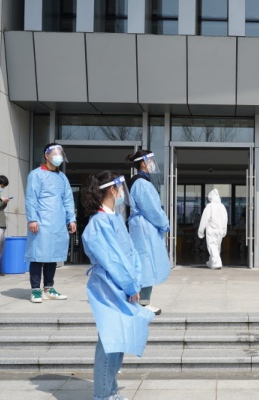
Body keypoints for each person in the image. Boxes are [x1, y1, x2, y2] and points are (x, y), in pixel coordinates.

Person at [81, 171, 154, 400]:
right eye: (121, 187)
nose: (123, 192)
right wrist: (130, 284)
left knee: (118, 340)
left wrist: (135, 281)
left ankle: (111, 390)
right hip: (109, 286)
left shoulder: (113, 218)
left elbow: (129, 252)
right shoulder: (99, 222)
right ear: (113, 189)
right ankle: (103, 394)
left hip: (122, 285)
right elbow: (112, 259)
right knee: (110, 340)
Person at [25, 143, 76, 304]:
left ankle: (48, 288)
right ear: (47, 156)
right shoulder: (36, 174)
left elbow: (68, 199)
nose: (59, 157)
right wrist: (32, 219)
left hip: (58, 222)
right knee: (38, 255)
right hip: (41, 221)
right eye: (56, 154)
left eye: (61, 154)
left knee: (52, 255)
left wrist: (71, 218)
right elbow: (31, 198)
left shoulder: (62, 177)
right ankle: (35, 290)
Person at [126, 151, 170, 315]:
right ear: (143, 163)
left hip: (141, 227)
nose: (153, 163)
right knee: (146, 264)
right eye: (150, 161)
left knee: (143, 263)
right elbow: (152, 209)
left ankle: (140, 301)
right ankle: (143, 302)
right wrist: (164, 223)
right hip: (145, 228)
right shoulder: (142, 184)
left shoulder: (139, 182)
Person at [198, 188, 228, 269]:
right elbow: (225, 219)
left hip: (211, 229)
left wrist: (201, 231)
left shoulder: (209, 206)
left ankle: (217, 263)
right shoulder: (222, 207)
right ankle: (211, 262)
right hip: (220, 230)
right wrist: (224, 230)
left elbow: (204, 219)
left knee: (212, 246)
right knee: (217, 247)